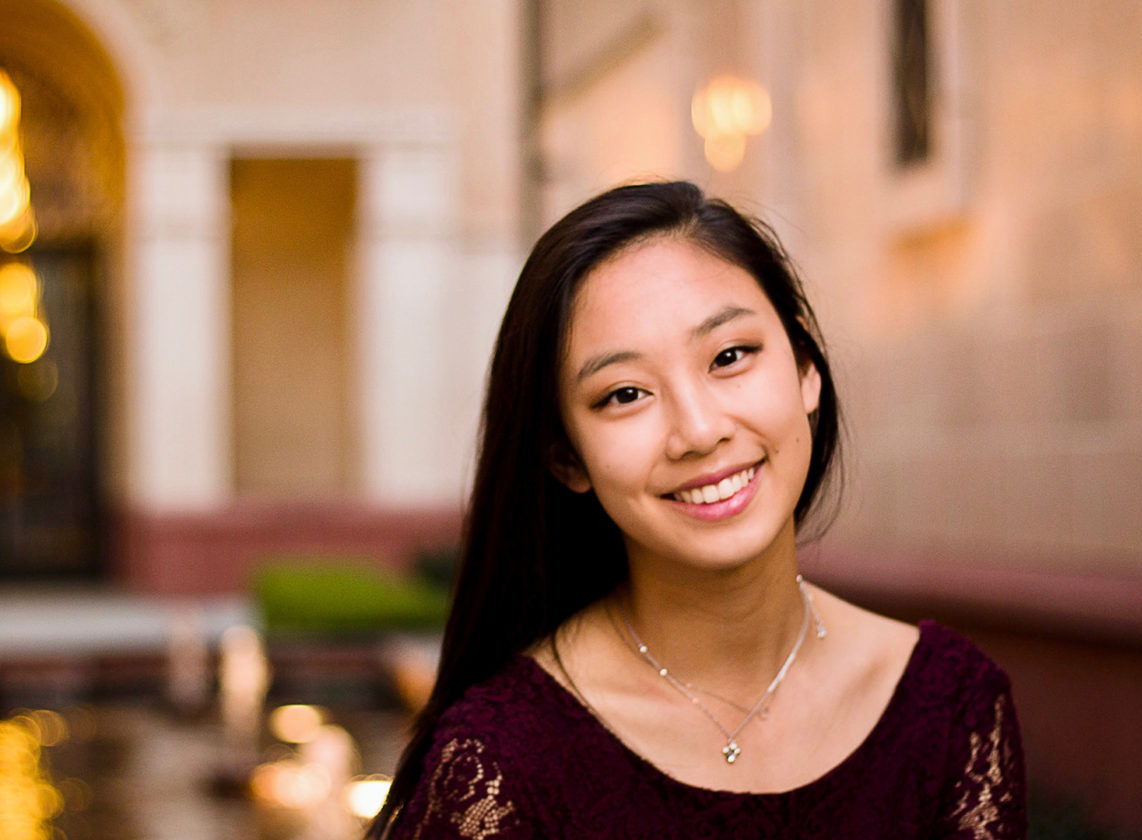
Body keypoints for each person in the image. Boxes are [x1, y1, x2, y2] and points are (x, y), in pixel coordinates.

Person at [367, 181, 1026, 839]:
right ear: (567, 459)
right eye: (625, 394)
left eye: (730, 356)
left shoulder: (951, 709)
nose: (699, 431)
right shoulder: (500, 760)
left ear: (804, 367)